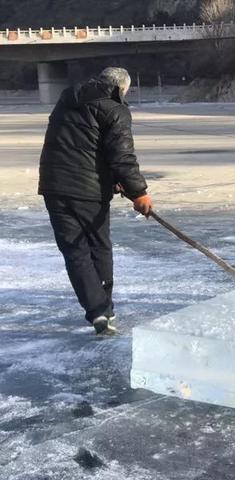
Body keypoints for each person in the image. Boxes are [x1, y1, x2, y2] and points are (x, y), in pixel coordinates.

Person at [38, 67, 153, 335]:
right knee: (98, 247)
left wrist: (113, 179)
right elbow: (121, 156)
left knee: (74, 250)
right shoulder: (115, 109)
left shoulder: (68, 99)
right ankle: (104, 309)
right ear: (121, 89)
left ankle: (97, 312)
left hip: (53, 186)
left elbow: (84, 145)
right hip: (87, 191)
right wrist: (139, 193)